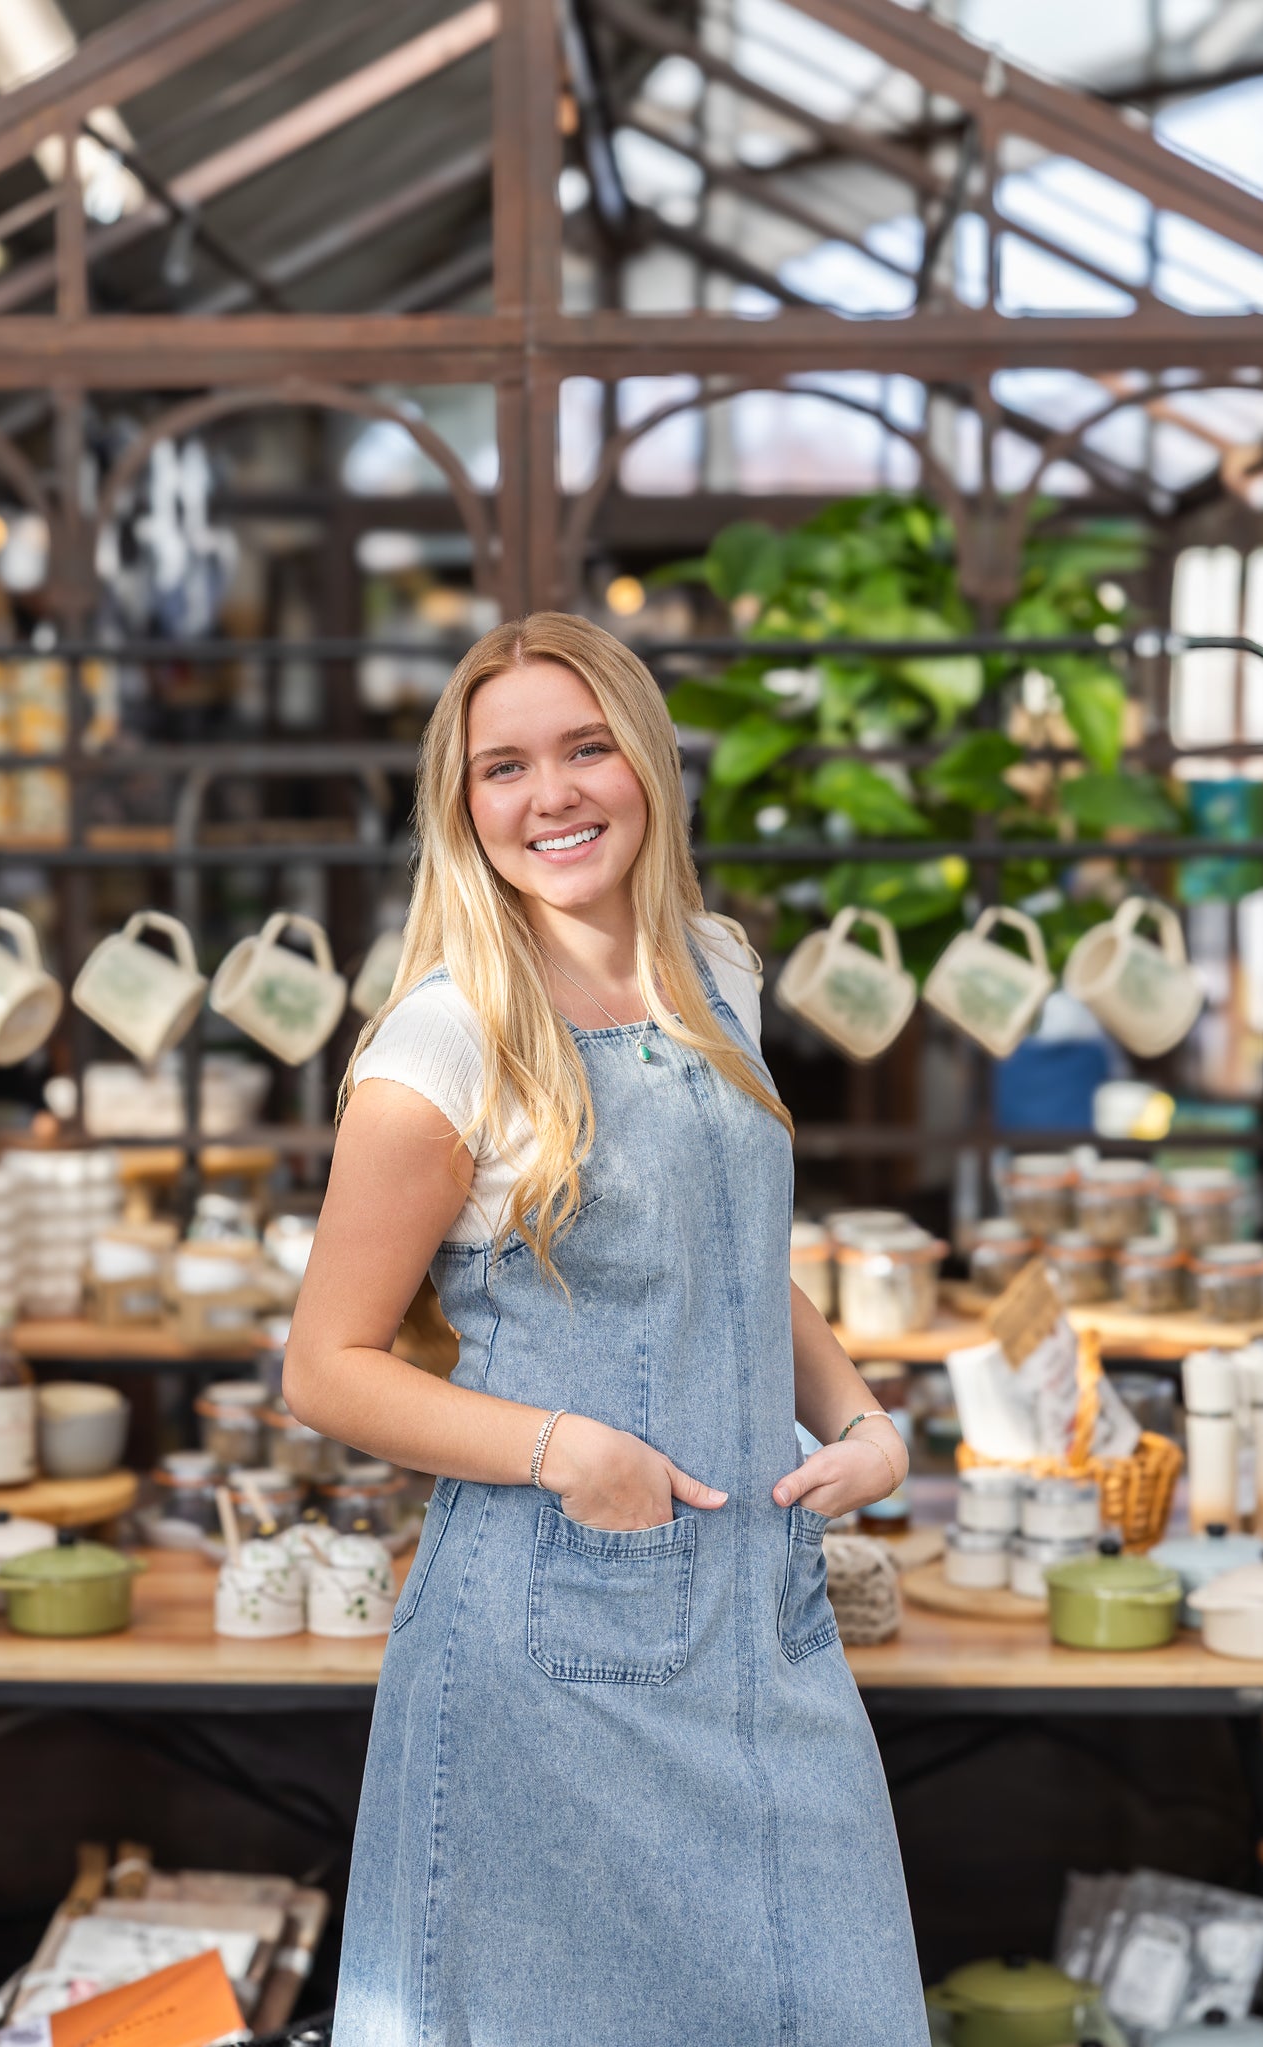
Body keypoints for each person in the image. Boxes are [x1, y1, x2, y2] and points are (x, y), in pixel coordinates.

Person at [282, 612, 929, 2047]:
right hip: (544, 1645)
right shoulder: (443, 1045)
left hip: (760, 1623)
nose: (552, 795)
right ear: (464, 805)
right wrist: (568, 1450)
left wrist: (863, 1420)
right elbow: (325, 1368)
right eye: (503, 767)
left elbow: (732, 1258)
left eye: (585, 749)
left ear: (648, 761)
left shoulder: (716, 968)